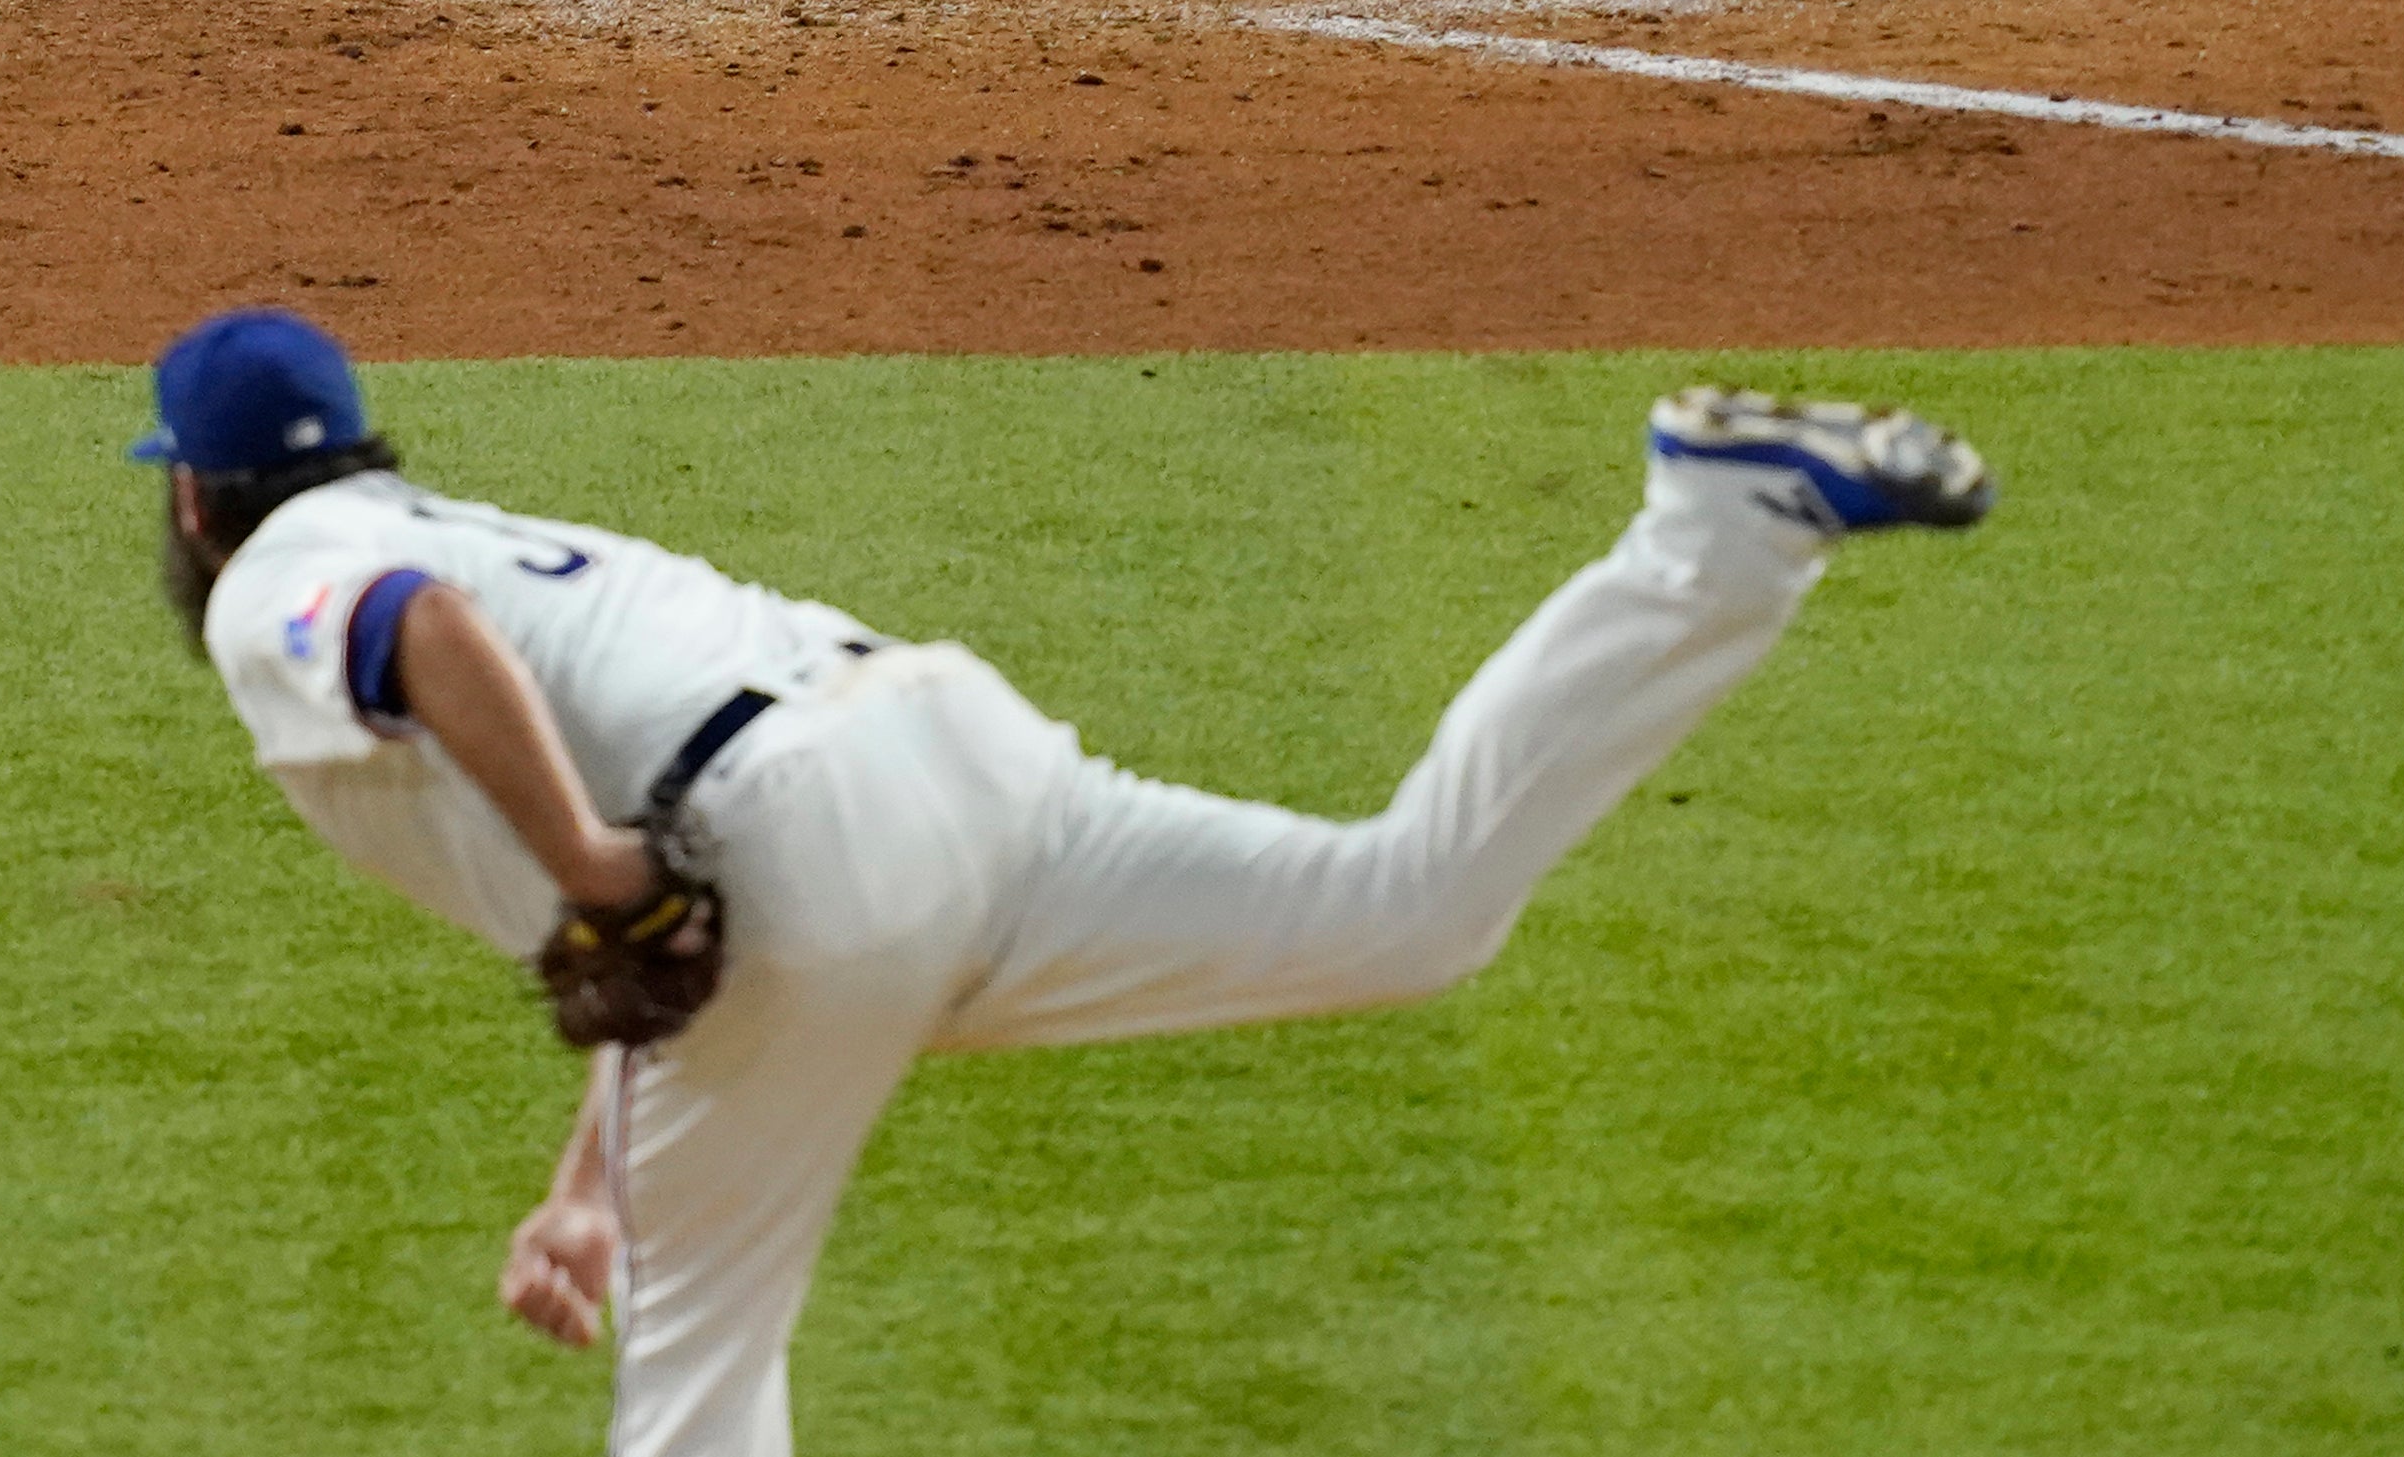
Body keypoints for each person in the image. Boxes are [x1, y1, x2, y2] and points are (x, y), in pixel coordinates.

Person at [137, 307, 1996, 1457]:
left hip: (804, 846)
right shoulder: (467, 516)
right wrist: (595, 1176)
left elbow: (429, 645)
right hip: (934, 758)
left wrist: (597, 871)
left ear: (197, 498)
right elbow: (675, 945)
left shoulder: (286, 572)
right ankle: (1720, 528)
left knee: (695, 1404)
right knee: (1406, 911)